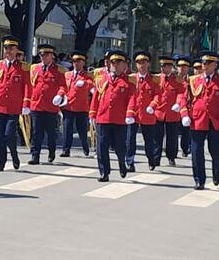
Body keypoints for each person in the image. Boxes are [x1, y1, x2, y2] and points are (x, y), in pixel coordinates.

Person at [178, 51, 219, 190]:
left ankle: (216, 172)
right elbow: (184, 98)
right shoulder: (193, 80)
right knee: (196, 151)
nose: (205, 66)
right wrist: (184, 114)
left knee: (216, 151)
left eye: (208, 63)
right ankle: (199, 180)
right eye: (203, 63)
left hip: (215, 121)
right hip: (197, 120)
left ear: (215, 65)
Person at [89, 50, 137, 182]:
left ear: (124, 65)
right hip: (103, 117)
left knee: (120, 147)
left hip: (119, 119)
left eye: (118, 63)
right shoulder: (101, 79)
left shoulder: (129, 81)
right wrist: (92, 113)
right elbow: (96, 98)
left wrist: (130, 113)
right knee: (101, 146)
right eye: (113, 63)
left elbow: (132, 98)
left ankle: (122, 163)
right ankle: (104, 172)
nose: (115, 65)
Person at [0, 35, 31, 172]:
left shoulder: (23, 67)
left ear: (16, 50)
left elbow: (27, 86)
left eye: (11, 48)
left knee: (9, 134)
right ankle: (0, 162)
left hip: (13, 106)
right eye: (6, 48)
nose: (8, 51)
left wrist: (26, 103)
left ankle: (14, 154)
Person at [28, 44, 67, 165]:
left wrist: (60, 95)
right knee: (36, 132)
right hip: (37, 104)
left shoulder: (58, 70)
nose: (43, 57)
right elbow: (30, 85)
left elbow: (63, 85)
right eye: (41, 55)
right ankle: (35, 155)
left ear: (52, 56)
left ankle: (51, 151)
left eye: (46, 55)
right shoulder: (34, 68)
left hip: (50, 106)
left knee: (51, 133)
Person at [128, 51, 162, 172]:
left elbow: (158, 95)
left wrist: (153, 105)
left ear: (148, 64)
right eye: (139, 62)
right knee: (130, 139)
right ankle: (130, 162)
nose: (141, 65)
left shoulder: (154, 79)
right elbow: (129, 96)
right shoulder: (131, 79)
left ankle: (151, 159)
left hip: (148, 114)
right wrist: (129, 112)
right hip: (133, 113)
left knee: (149, 140)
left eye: (144, 62)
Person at [61, 51, 93, 158]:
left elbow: (91, 84)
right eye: (74, 61)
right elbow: (63, 87)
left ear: (83, 62)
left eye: (79, 61)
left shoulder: (87, 75)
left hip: (81, 107)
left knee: (82, 130)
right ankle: (66, 150)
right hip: (68, 106)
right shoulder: (67, 74)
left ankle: (85, 146)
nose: (76, 63)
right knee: (67, 129)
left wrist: (85, 83)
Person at [151, 56, 182, 167]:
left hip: (172, 113)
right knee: (157, 136)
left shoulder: (177, 79)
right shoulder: (156, 78)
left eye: (165, 66)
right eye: (162, 66)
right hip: (159, 111)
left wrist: (178, 104)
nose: (163, 68)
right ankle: (156, 158)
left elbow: (181, 93)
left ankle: (171, 157)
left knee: (172, 137)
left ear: (170, 67)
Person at [176, 56, 192, 157]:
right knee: (173, 131)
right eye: (180, 66)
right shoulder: (173, 79)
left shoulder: (191, 80)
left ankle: (185, 148)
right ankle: (172, 151)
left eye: (185, 66)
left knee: (185, 130)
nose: (182, 68)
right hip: (174, 109)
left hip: (186, 108)